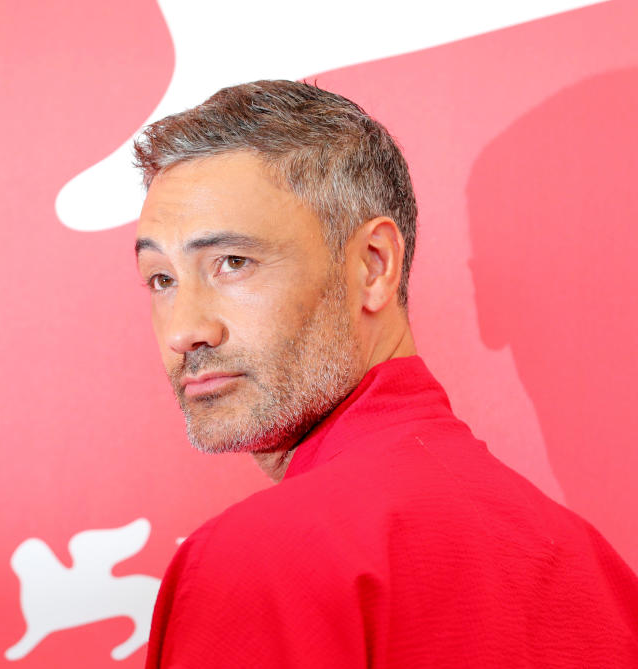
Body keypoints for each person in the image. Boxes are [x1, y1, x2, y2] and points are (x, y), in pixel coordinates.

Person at [132, 80, 638, 668]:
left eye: (233, 263)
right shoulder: (599, 572)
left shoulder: (263, 556)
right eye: (161, 280)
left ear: (373, 267)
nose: (183, 331)